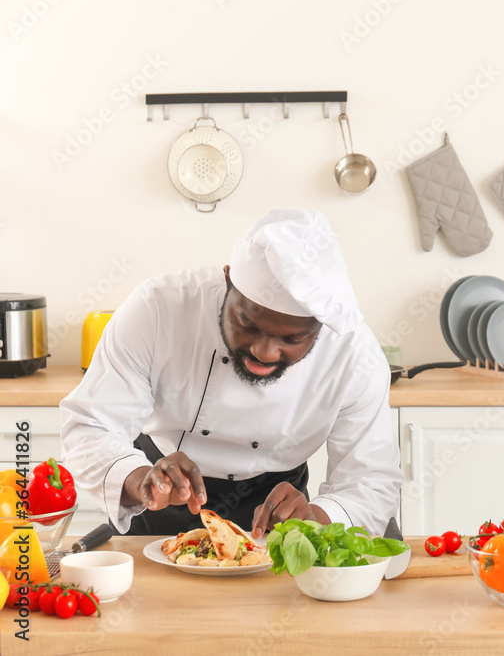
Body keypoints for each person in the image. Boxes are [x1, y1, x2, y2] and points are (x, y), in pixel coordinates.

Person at [61, 208, 403, 538]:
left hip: (277, 517)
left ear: (321, 326)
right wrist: (140, 480)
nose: (264, 352)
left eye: (292, 338)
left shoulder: (354, 353)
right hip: (159, 497)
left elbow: (371, 479)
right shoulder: (159, 309)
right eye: (248, 324)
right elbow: (91, 426)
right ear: (228, 281)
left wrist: (316, 516)